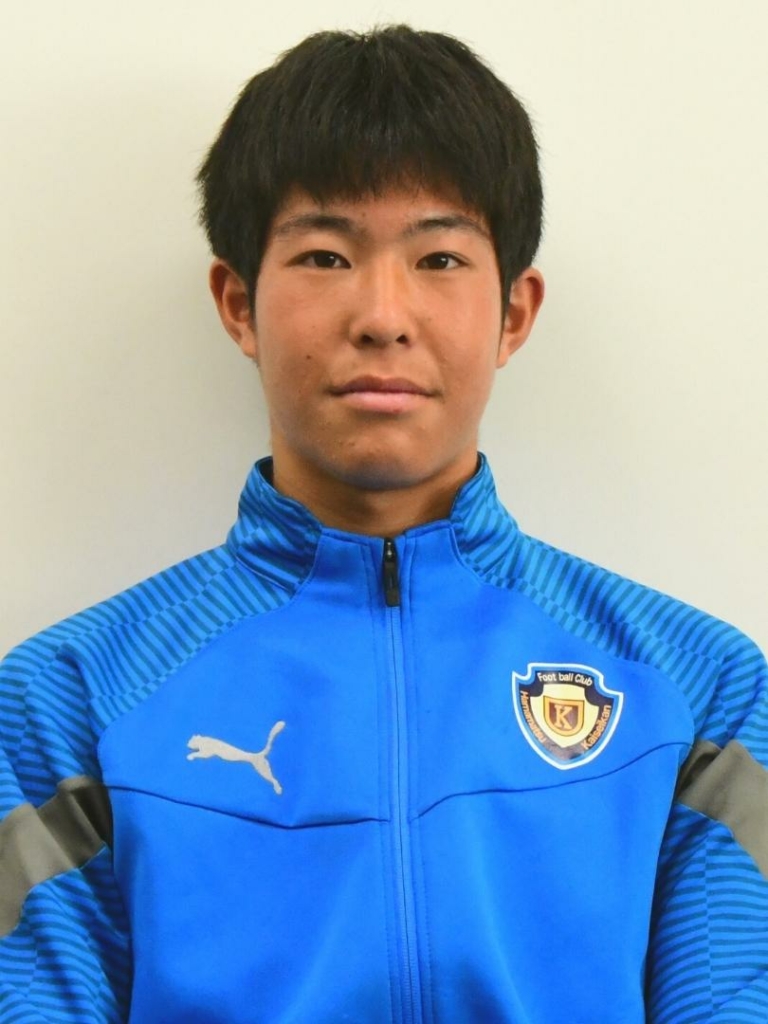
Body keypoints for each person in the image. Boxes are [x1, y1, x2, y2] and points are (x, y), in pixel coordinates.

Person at [0, 23, 766, 1024]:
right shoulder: (68, 700)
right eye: (325, 255)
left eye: (439, 257)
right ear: (238, 303)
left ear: (514, 312)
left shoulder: (699, 689)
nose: (383, 315)